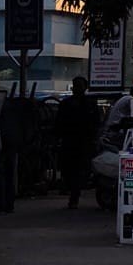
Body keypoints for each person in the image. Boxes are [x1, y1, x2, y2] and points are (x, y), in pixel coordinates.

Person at [54, 77, 99, 210]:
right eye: (76, 85)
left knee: (79, 170)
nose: (77, 88)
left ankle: (74, 194)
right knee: (70, 169)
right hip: (71, 141)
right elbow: (59, 123)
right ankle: (72, 192)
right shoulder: (67, 104)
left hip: (82, 142)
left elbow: (96, 123)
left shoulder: (89, 104)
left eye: (79, 86)